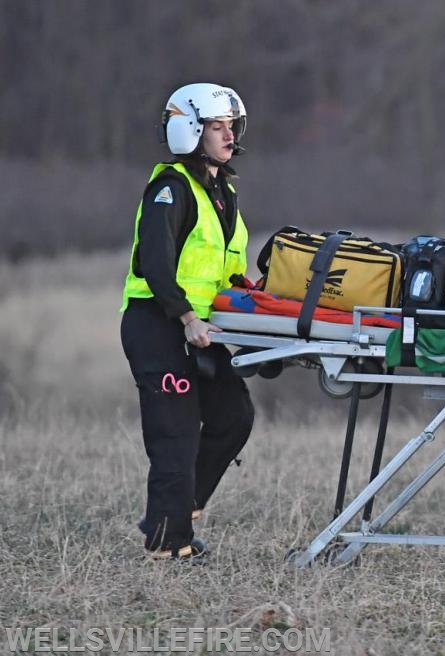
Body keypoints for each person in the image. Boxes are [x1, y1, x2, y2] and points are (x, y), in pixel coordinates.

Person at [120, 83, 254, 562]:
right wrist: (185, 317)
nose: (227, 136)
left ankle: (183, 506)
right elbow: (155, 265)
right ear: (189, 132)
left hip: (199, 327)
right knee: (174, 432)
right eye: (216, 127)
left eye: (231, 127)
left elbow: (222, 267)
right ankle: (166, 540)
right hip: (159, 323)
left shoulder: (222, 190)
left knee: (234, 415)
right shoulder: (171, 188)